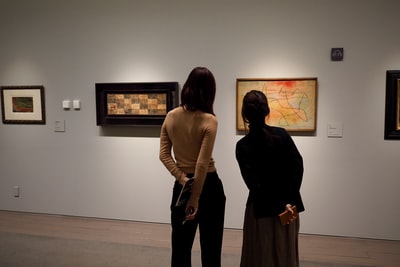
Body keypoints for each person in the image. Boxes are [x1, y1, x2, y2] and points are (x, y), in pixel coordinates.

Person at [159, 67, 226, 267]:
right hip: (209, 189)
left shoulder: (171, 116)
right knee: (211, 248)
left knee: (180, 247)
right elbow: (202, 164)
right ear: (210, 92)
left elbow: (163, 155)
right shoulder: (209, 120)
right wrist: (195, 199)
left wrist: (182, 179)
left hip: (182, 188)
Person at [235, 90, 305, 267]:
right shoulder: (282, 135)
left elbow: (254, 185)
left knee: (260, 257)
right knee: (286, 255)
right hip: (287, 209)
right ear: (267, 111)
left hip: (261, 209)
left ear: (245, 114)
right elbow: (297, 168)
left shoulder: (243, 146)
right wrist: (287, 200)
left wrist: (279, 202)